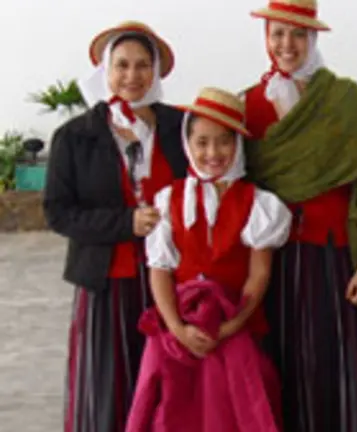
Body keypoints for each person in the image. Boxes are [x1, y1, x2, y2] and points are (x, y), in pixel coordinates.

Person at [243, 1, 357, 431]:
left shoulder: (346, 101)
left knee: (339, 370)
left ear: (313, 38)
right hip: (271, 267)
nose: (286, 45)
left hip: (335, 264)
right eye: (277, 33)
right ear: (266, 37)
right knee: (282, 369)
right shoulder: (248, 105)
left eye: (297, 34)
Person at [43, 21, 188, 432]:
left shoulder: (181, 129)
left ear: (157, 72)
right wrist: (126, 223)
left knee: (170, 384)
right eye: (122, 65)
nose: (132, 76)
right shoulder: (74, 137)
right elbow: (59, 212)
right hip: (106, 282)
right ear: (105, 70)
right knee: (109, 383)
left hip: (174, 280)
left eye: (143, 66)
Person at [126, 87, 290, 431]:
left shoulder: (257, 203)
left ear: (238, 145)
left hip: (233, 325)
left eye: (223, 142)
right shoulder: (168, 199)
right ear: (188, 144)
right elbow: (160, 271)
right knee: (173, 408)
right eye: (202, 142)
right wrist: (177, 329)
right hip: (178, 327)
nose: (212, 153)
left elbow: (258, 275)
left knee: (234, 405)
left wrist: (230, 326)